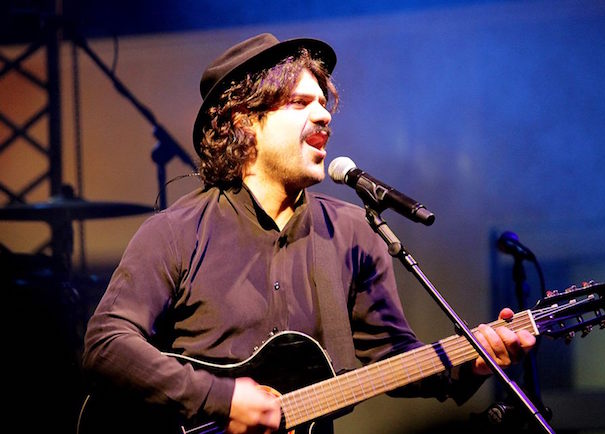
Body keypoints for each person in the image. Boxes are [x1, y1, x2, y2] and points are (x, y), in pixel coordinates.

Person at [81, 33, 536, 434]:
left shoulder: (355, 233)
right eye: (300, 103)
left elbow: (392, 357)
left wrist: (473, 361)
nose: (323, 116)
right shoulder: (176, 232)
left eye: (323, 103)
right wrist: (220, 399)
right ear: (243, 121)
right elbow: (106, 343)